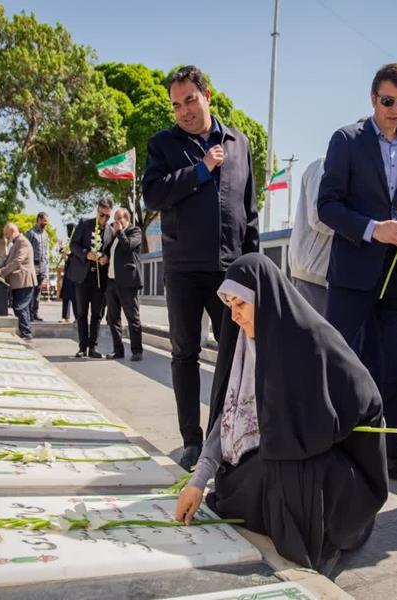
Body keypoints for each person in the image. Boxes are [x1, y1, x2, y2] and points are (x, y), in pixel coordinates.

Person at [174, 254, 389, 575]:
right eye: (229, 305)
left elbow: (367, 401)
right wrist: (197, 481)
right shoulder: (243, 346)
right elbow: (227, 418)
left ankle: (323, 537)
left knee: (288, 475)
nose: (234, 316)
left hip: (326, 463)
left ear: (265, 300)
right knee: (239, 483)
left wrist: (312, 429)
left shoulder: (311, 339)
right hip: (278, 455)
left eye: (241, 304)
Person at [317, 63, 397, 491]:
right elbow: (327, 206)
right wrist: (373, 229)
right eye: (388, 101)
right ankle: (335, 451)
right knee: (342, 364)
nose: (395, 110)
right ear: (373, 98)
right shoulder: (346, 140)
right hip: (353, 276)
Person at [143, 65, 259, 471]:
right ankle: (192, 442)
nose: (184, 111)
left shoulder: (239, 143)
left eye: (190, 100)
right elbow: (153, 195)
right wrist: (200, 170)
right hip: (184, 269)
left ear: (207, 96)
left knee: (234, 356)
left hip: (230, 271)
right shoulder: (163, 144)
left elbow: (249, 212)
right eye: (176, 105)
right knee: (185, 354)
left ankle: (224, 437)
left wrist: (252, 269)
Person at [288, 157, 332, 315]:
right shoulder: (323, 165)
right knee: (312, 330)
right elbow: (319, 217)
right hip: (312, 275)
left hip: (327, 277)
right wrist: (364, 228)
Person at [68, 199, 112, 358]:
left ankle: (93, 347)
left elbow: (110, 252)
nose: (104, 219)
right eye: (102, 215)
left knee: (97, 314)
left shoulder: (110, 231)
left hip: (100, 278)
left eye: (108, 216)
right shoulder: (85, 224)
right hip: (83, 276)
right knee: (81, 313)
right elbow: (73, 245)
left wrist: (106, 258)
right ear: (97, 211)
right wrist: (86, 254)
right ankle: (82, 347)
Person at [103, 207, 143, 361]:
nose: (116, 222)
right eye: (115, 219)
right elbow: (110, 252)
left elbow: (127, 246)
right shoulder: (115, 236)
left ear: (127, 218)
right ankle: (118, 350)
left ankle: (137, 350)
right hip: (112, 281)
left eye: (119, 218)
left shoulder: (135, 231)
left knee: (132, 317)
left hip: (127, 282)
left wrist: (119, 231)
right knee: (113, 318)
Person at [0, 223, 37, 340]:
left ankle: (26, 333)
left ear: (12, 231)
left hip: (24, 281)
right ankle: (25, 332)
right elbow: (8, 261)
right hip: (19, 281)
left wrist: (2, 271)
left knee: (20, 307)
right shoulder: (16, 243)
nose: (6, 237)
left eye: (6, 234)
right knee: (20, 307)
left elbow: (18, 261)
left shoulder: (23, 242)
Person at [25, 212, 50, 322]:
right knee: (31, 290)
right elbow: (26, 249)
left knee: (38, 291)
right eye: (44, 220)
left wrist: (46, 270)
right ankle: (29, 314)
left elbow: (46, 252)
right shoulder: (31, 233)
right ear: (39, 219)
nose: (46, 223)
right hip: (33, 265)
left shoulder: (46, 235)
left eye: (47, 221)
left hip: (42, 265)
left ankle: (35, 313)